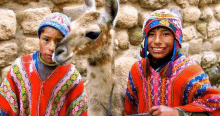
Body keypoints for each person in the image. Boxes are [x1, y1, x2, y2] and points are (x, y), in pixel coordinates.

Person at [124, 9, 220, 116]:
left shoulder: (190, 71)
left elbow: (215, 105)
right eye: (151, 34)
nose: (157, 41)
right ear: (145, 39)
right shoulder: (137, 69)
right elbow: (130, 108)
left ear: (176, 39)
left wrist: (177, 113)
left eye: (165, 34)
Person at [0, 12, 88, 116]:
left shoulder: (72, 77)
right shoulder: (20, 68)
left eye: (59, 41)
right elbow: (5, 108)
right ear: (39, 38)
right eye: (46, 39)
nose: (51, 47)